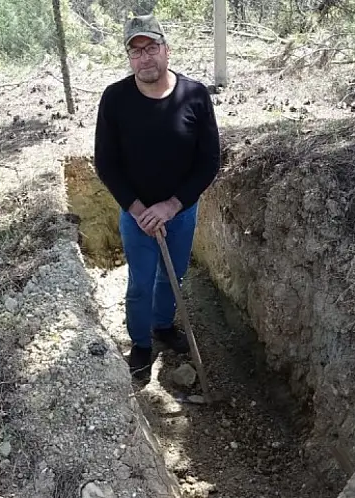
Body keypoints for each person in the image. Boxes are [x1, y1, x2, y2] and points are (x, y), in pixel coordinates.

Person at [93, 14, 221, 381]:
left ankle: (163, 325)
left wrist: (171, 206)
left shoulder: (194, 94)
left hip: (180, 213)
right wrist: (139, 210)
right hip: (137, 217)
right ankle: (141, 343)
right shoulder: (115, 99)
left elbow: (208, 160)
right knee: (140, 282)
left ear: (166, 49)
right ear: (129, 58)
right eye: (136, 52)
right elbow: (106, 163)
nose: (144, 58)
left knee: (173, 276)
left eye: (151, 48)